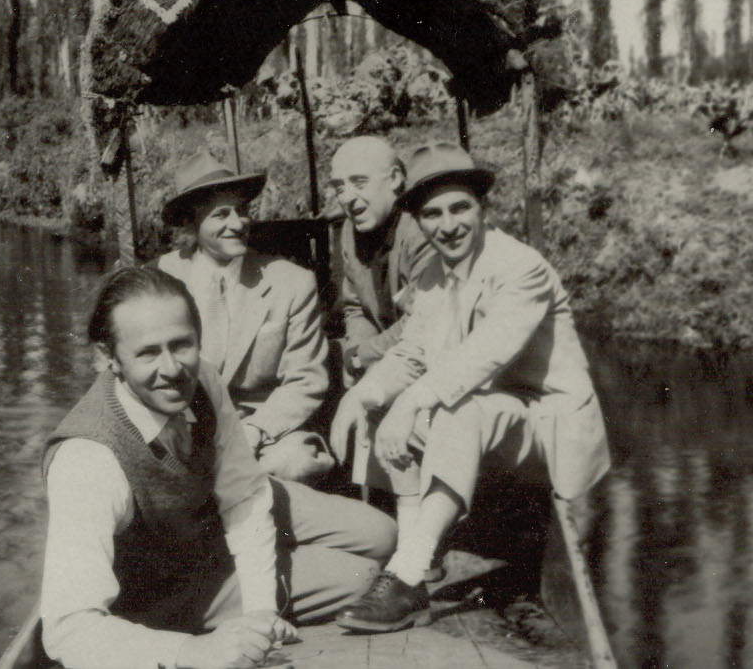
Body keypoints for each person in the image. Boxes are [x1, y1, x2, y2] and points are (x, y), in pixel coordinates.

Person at [39, 267, 396, 668]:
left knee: (382, 534)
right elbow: (67, 627)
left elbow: (244, 494)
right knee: (361, 577)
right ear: (108, 358)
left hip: (210, 515)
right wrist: (190, 650)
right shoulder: (87, 459)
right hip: (169, 581)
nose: (172, 369)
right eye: (148, 352)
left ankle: (259, 568)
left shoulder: (202, 378)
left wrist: (260, 610)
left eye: (182, 344)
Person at [327, 142, 610, 633]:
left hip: (548, 422)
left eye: (461, 208)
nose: (448, 224)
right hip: (489, 414)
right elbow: (414, 353)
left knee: (454, 411)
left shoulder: (521, 267)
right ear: (418, 219)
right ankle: (415, 563)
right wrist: (363, 396)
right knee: (390, 405)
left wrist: (411, 402)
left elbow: (486, 355)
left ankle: (408, 570)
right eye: (433, 214)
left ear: (483, 210)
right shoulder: (435, 276)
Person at [155, 151, 332, 482]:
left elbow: (306, 379)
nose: (237, 224)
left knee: (298, 462)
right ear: (191, 224)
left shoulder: (291, 282)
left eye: (242, 211)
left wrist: (254, 431)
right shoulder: (160, 280)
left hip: (267, 431)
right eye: (221, 215)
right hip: (187, 429)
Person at [328, 136, 435, 380]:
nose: (346, 197)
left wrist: (361, 356)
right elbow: (356, 307)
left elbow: (421, 320)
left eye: (359, 182)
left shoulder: (423, 228)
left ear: (395, 179)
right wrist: (356, 356)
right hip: (384, 359)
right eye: (339, 187)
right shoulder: (349, 230)